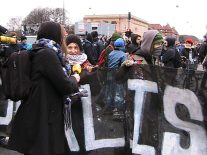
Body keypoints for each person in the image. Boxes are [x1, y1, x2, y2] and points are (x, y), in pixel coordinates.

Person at [8, 21, 80, 155]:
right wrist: (75, 78)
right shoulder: (47, 54)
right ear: (55, 35)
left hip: (40, 112)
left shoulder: (40, 50)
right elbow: (65, 86)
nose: (63, 39)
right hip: (42, 116)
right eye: (62, 35)